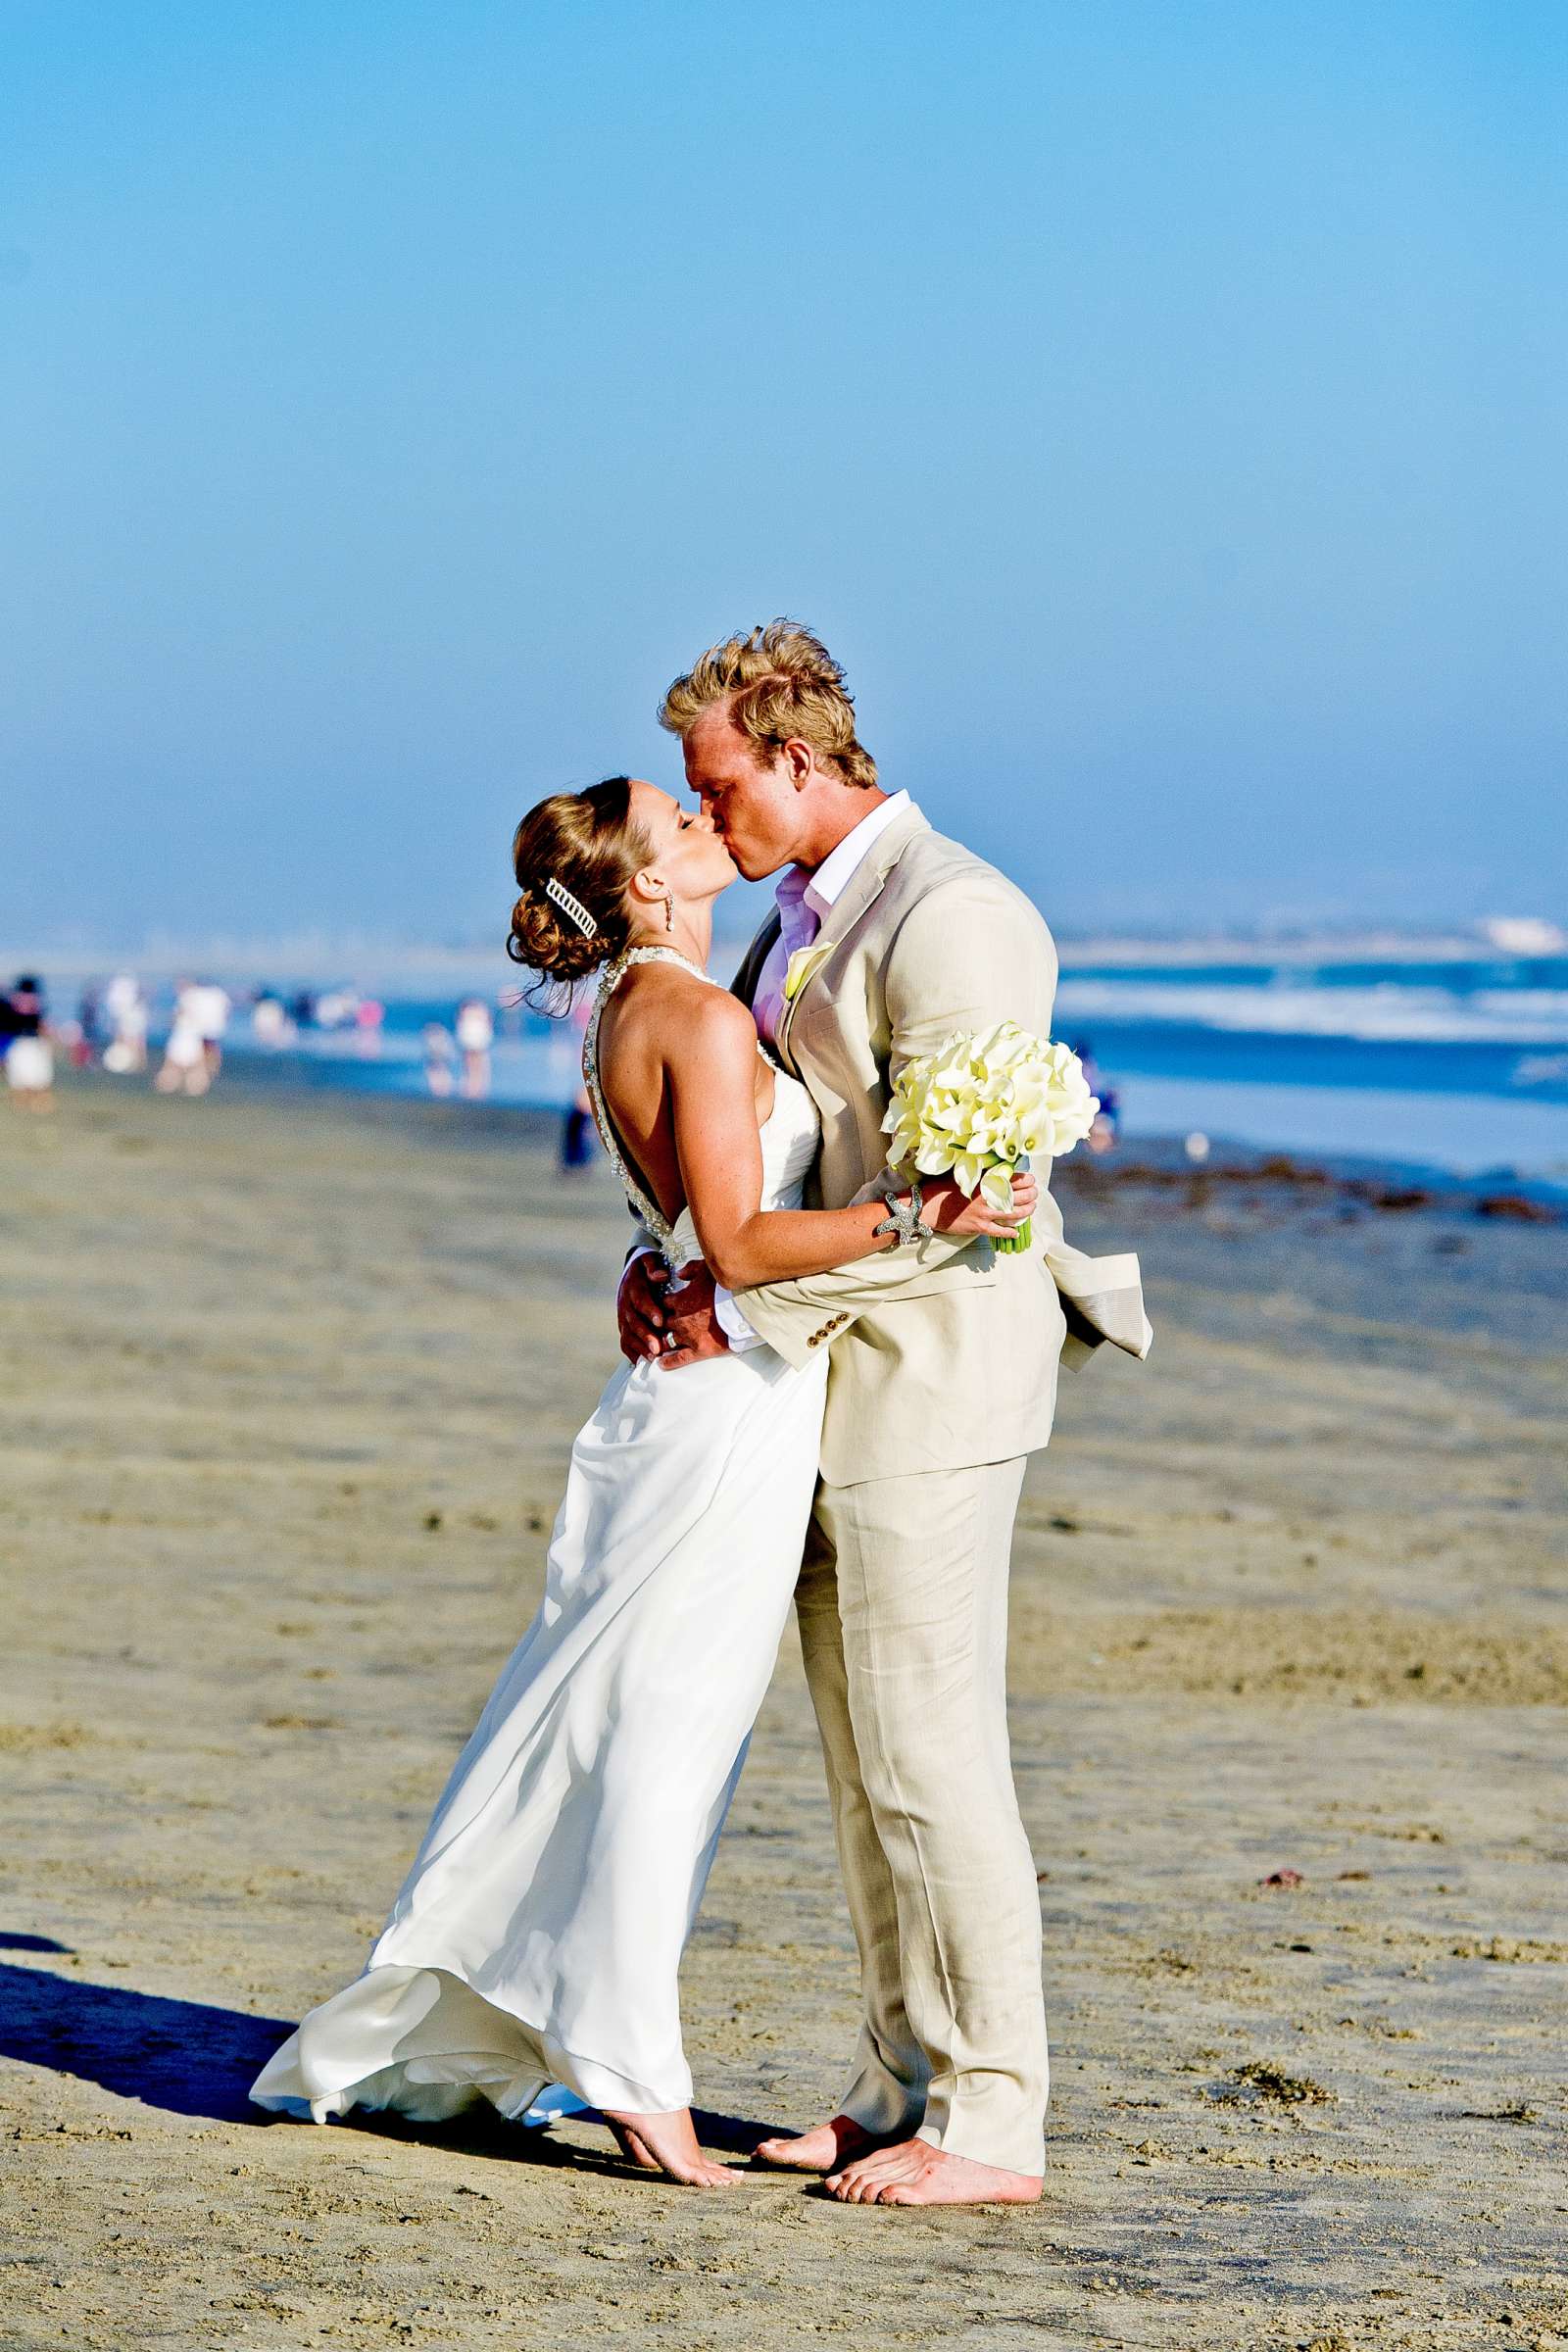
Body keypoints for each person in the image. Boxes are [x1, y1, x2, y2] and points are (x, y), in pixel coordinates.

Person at [250, 774, 1029, 2186]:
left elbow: (679, 1226)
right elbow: (734, 1243)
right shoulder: (702, 1013)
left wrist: (654, 1263)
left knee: (605, 1719)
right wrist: (924, 1210)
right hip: (722, 1416)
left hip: (694, 1400)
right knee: (665, 1743)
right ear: (646, 883)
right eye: (679, 818)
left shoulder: (639, 1006)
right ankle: (633, 2072)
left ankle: (513, 2027)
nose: (703, 823)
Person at [618, 621, 1151, 2207]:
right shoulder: (790, 920)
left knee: (934, 1755)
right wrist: (668, 1268)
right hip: (813, 1383)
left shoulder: (960, 916)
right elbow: (769, 1157)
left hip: (936, 1380)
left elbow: (963, 1206)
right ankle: (899, 2070)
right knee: (860, 1763)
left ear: (797, 758)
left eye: (721, 788)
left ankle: (996, 2113)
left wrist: (740, 1291)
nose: (706, 822)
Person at [1, 976, 54, 1110]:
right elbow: (42, 1026)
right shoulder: (22, 1005)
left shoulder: (16, 1004)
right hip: (23, 1042)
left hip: (26, 1042)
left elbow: (41, 1025)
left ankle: (31, 1100)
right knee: (27, 1074)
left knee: (30, 1074)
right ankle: (28, 1100)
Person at [454, 995, 494, 1098]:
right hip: (475, 1040)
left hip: (473, 1040)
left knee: (471, 1065)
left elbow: (459, 1024)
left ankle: (472, 1089)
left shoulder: (468, 1010)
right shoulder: (480, 1010)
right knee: (475, 1065)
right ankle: (475, 1089)